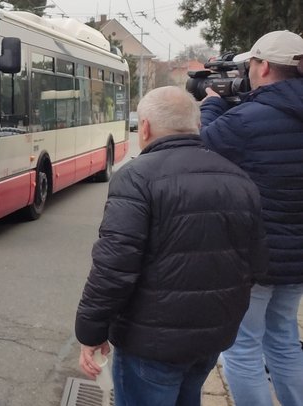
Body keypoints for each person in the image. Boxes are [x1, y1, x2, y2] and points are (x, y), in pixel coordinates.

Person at [76, 85, 267, 406]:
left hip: (149, 344)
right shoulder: (239, 178)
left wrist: (90, 333)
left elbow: (113, 268)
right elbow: (258, 264)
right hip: (211, 339)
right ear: (198, 125)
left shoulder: (136, 178)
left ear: (145, 127)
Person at [200, 30, 303, 405]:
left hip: (254, 256)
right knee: (283, 337)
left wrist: (212, 105)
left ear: (261, 67)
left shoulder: (245, 118)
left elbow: (202, 147)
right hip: (297, 257)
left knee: (242, 347)